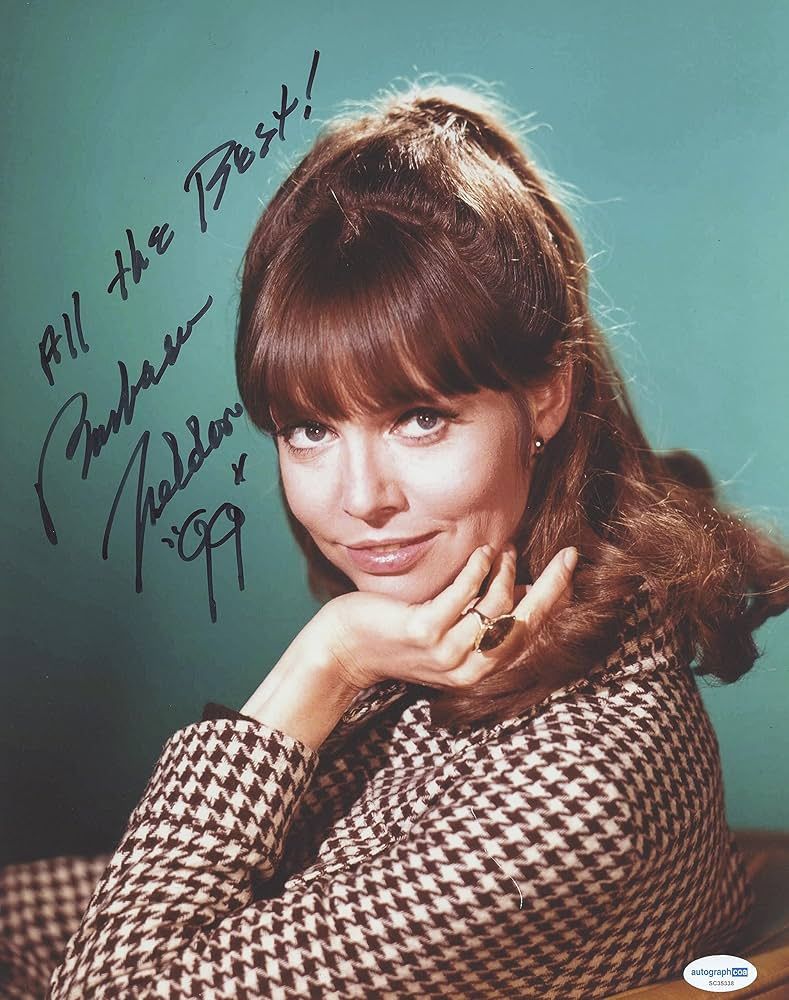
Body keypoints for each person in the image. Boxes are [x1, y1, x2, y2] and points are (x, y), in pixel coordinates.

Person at [2, 83, 788, 1000]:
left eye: (419, 418)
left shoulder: (568, 792)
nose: (358, 500)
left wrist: (324, 663)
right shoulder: (483, 634)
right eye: (308, 430)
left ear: (546, 394)